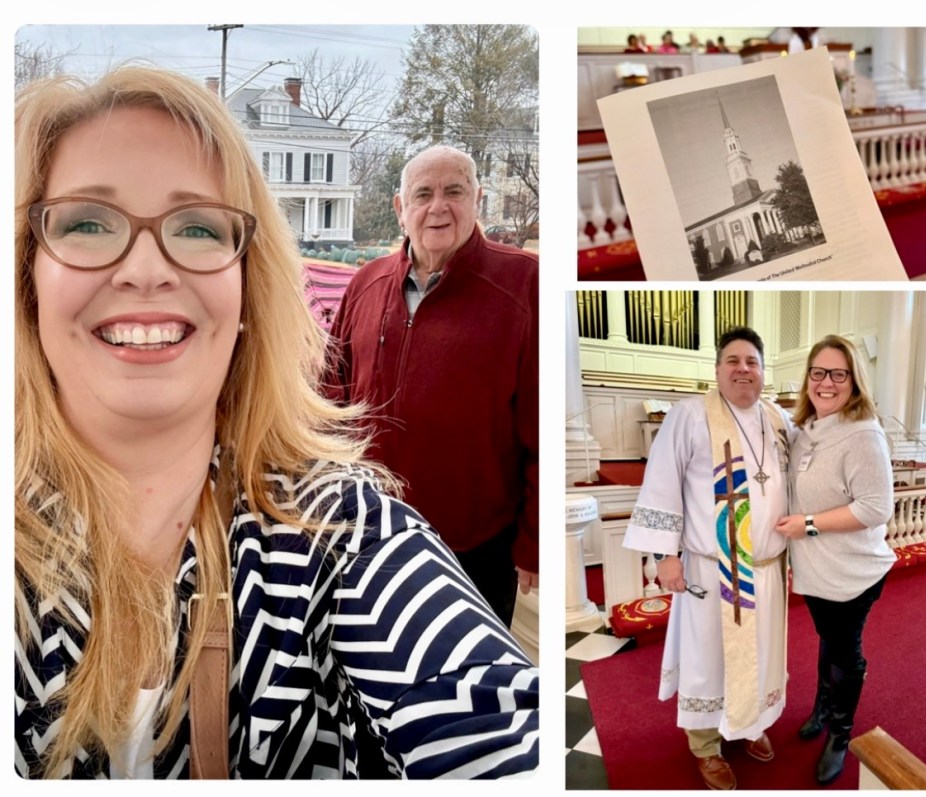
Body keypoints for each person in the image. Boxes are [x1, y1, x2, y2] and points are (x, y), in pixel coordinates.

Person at [14, 67, 538, 779]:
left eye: (196, 226)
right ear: (25, 280)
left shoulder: (348, 538)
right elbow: (337, 382)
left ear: (247, 294)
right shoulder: (369, 281)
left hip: (476, 535)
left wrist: (531, 542)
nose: (143, 269)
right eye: (86, 222)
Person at [323, 145, 538, 629]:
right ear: (401, 208)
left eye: (454, 191)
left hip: (472, 547)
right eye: (423, 194)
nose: (437, 207)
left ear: (477, 199)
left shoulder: (524, 283)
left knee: (467, 690)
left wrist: (535, 540)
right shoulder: (366, 282)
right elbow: (329, 396)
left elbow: (540, 426)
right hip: (367, 537)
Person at [623, 327, 793, 790]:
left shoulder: (778, 419)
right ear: (717, 370)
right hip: (713, 566)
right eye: (733, 361)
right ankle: (705, 744)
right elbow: (661, 482)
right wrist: (664, 555)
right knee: (708, 657)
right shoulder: (689, 416)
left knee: (761, 653)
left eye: (752, 362)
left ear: (763, 371)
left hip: (767, 568)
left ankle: (750, 721)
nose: (743, 369)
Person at [773, 335, 894, 784]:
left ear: (853, 381)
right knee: (828, 639)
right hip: (817, 569)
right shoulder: (806, 431)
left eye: (838, 374)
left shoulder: (863, 434)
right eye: (818, 372)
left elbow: (874, 508)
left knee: (846, 652)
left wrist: (806, 524)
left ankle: (840, 734)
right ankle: (823, 706)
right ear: (807, 378)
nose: (826, 382)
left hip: (853, 570)